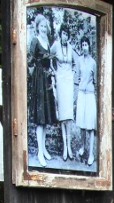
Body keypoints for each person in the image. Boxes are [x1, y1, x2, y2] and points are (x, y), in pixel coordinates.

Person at [27, 14, 56, 167]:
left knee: (45, 119)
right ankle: (39, 152)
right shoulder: (35, 41)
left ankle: (44, 149)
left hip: (47, 81)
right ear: (38, 27)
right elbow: (29, 61)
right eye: (42, 26)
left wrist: (52, 72)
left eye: (46, 26)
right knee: (40, 119)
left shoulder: (47, 42)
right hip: (39, 81)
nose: (44, 29)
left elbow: (49, 61)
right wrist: (35, 77)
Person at [51, 25, 76, 162]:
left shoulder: (71, 48)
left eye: (67, 34)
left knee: (69, 115)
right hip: (60, 80)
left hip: (69, 81)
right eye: (63, 34)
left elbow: (74, 64)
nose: (65, 36)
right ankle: (65, 147)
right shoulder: (55, 45)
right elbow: (49, 58)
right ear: (60, 34)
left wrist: (72, 73)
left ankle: (70, 148)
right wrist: (54, 72)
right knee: (62, 116)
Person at [75, 35, 97, 166]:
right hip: (81, 94)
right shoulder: (78, 61)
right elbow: (77, 78)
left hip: (89, 94)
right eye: (82, 45)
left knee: (90, 126)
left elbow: (95, 80)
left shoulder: (93, 62)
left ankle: (91, 154)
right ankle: (82, 147)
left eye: (86, 45)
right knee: (81, 125)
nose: (84, 47)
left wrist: (90, 89)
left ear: (89, 46)